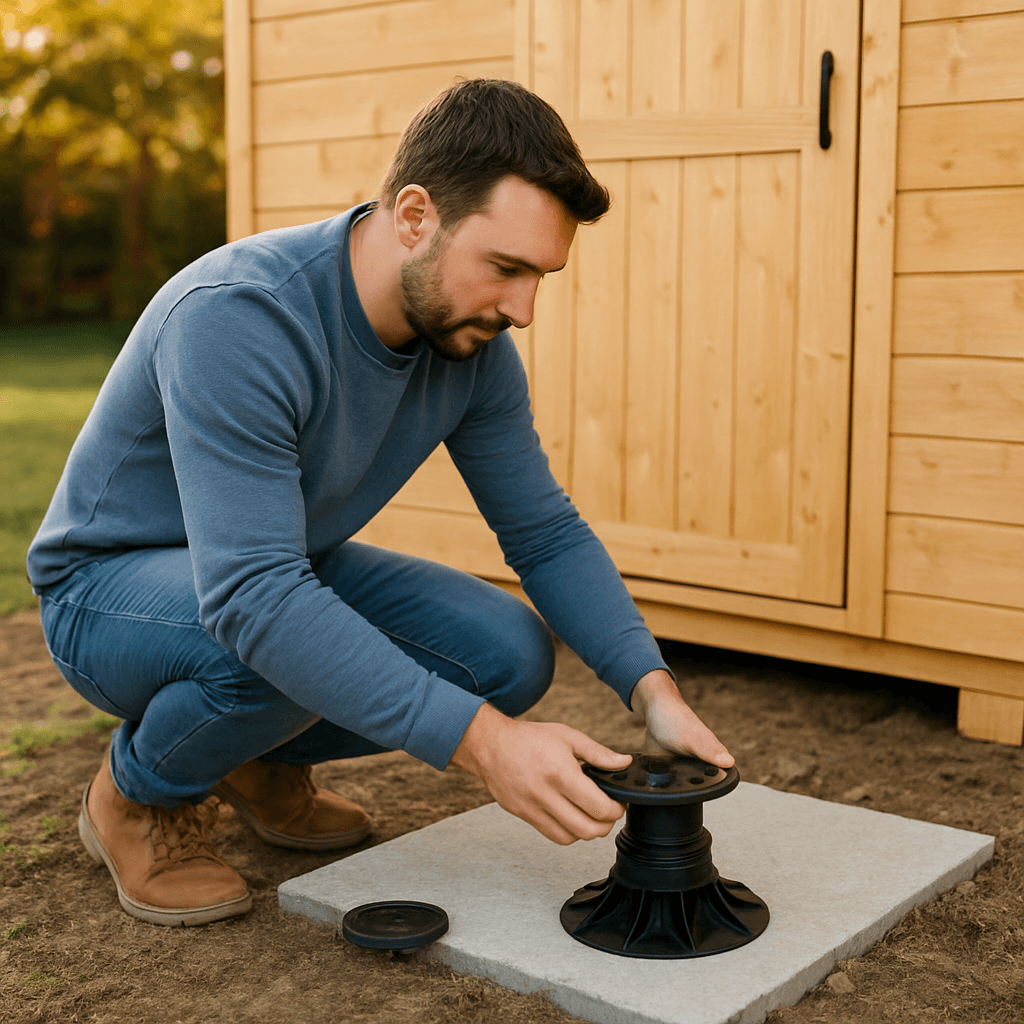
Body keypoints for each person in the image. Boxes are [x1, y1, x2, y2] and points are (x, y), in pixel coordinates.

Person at [27, 78, 733, 927]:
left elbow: (542, 533)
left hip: (267, 578)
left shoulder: (470, 348)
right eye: (505, 268)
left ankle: (253, 755)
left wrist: (653, 690)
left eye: (541, 276)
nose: (525, 310)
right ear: (414, 217)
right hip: (105, 598)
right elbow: (254, 598)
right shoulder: (241, 317)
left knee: (507, 655)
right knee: (274, 641)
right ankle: (136, 795)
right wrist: (487, 748)